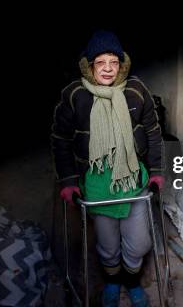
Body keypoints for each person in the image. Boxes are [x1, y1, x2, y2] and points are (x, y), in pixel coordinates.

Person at [51, 30, 165, 307]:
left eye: (113, 62)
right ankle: (113, 282)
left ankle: (133, 282)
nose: (107, 68)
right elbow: (61, 139)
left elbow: (153, 132)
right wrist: (68, 180)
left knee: (139, 244)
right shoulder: (74, 95)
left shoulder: (137, 90)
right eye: (100, 62)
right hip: (97, 184)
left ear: (121, 64)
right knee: (108, 246)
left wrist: (158, 171)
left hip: (132, 180)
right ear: (89, 66)